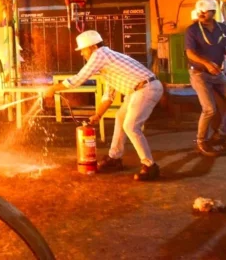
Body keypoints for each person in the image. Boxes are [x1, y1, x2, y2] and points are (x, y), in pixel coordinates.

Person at [44, 30, 163, 181]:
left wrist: (53, 88)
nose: (82, 54)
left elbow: (79, 79)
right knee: (120, 117)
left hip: (146, 88)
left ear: (92, 47)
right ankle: (115, 158)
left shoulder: (100, 55)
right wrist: (98, 115)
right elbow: (109, 95)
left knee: (131, 126)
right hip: (140, 89)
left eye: (83, 50)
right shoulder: (109, 62)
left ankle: (150, 167)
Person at [185, 0, 226, 156]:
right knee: (209, 109)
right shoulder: (192, 30)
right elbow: (190, 52)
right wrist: (206, 64)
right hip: (199, 73)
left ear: (213, 12)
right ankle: (201, 141)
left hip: (218, 73)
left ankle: (223, 134)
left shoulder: (223, 29)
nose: (202, 14)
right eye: (200, 12)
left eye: (205, 11)